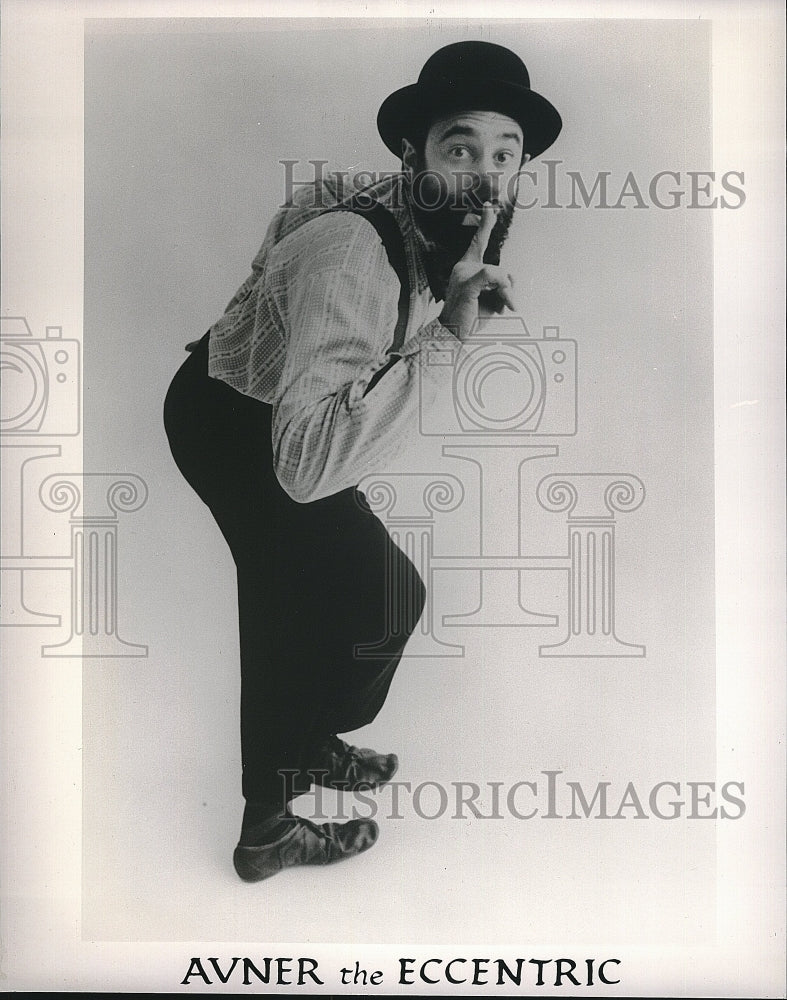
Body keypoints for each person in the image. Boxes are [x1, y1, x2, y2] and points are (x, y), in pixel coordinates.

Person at [163, 40, 561, 882]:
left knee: (379, 595)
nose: (487, 180)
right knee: (302, 615)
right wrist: (448, 335)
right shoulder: (353, 249)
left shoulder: (422, 212)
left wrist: (438, 302)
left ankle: (309, 745)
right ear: (411, 153)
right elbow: (306, 469)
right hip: (238, 425)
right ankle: (267, 830)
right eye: (461, 150)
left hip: (284, 413)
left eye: (505, 154)